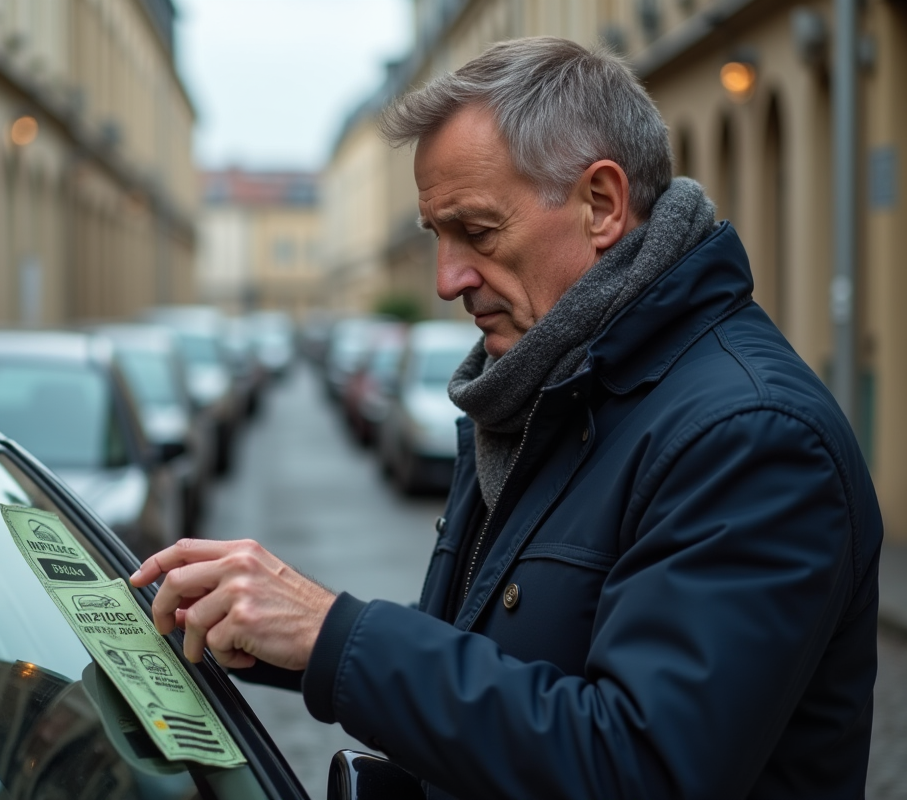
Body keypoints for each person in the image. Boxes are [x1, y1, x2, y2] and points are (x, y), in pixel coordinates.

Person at [130, 37, 883, 799]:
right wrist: (279, 631)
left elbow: (641, 767)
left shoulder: (752, 434)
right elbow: (498, 653)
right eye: (437, 236)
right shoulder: (543, 384)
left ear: (601, 204)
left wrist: (333, 636)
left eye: (478, 233)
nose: (447, 279)